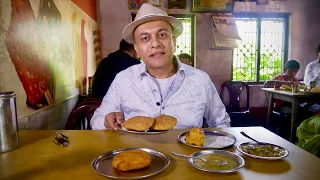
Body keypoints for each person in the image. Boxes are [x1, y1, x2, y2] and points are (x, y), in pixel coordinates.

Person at [90, 3, 230, 130]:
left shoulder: (200, 80)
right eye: (145, 38)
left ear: (173, 41)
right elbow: (96, 120)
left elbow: (222, 123)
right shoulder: (123, 79)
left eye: (162, 35)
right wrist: (106, 120)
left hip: (187, 157)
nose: (155, 43)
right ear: (137, 49)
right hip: (137, 156)